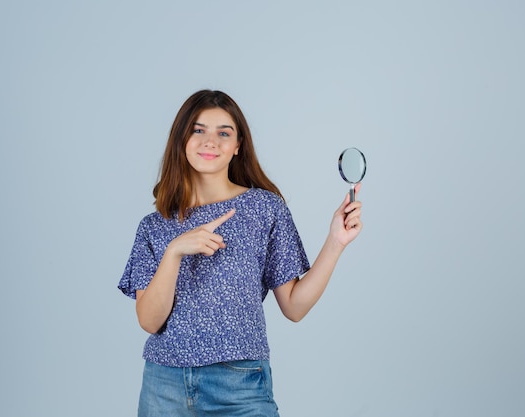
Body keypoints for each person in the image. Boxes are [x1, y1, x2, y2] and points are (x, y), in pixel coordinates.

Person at [118, 89, 362, 416]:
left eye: (224, 133)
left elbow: (294, 306)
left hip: (240, 383)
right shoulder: (155, 225)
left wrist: (335, 243)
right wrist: (175, 251)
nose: (210, 141)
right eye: (198, 130)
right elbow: (149, 321)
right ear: (181, 140)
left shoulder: (264, 209)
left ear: (237, 146)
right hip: (165, 385)